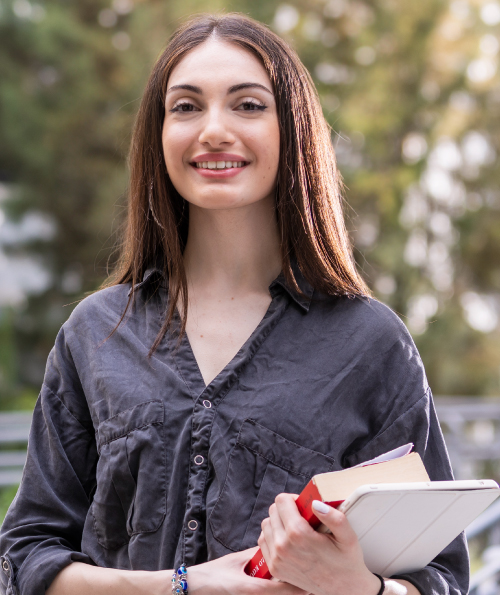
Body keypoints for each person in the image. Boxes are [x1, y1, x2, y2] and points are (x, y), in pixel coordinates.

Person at [0, 12, 468, 595]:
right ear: (159, 135)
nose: (213, 129)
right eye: (186, 107)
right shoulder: (93, 333)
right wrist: (186, 585)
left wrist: (356, 587)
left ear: (291, 130)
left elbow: (441, 578)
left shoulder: (370, 343)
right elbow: (25, 559)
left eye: (247, 105)